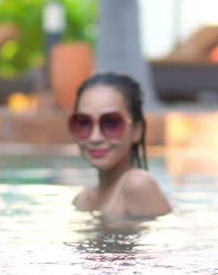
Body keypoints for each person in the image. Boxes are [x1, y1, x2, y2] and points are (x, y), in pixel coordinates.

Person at [69, 72, 171, 218]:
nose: (95, 137)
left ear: (137, 130)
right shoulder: (82, 200)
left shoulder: (138, 184)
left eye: (111, 123)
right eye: (84, 123)